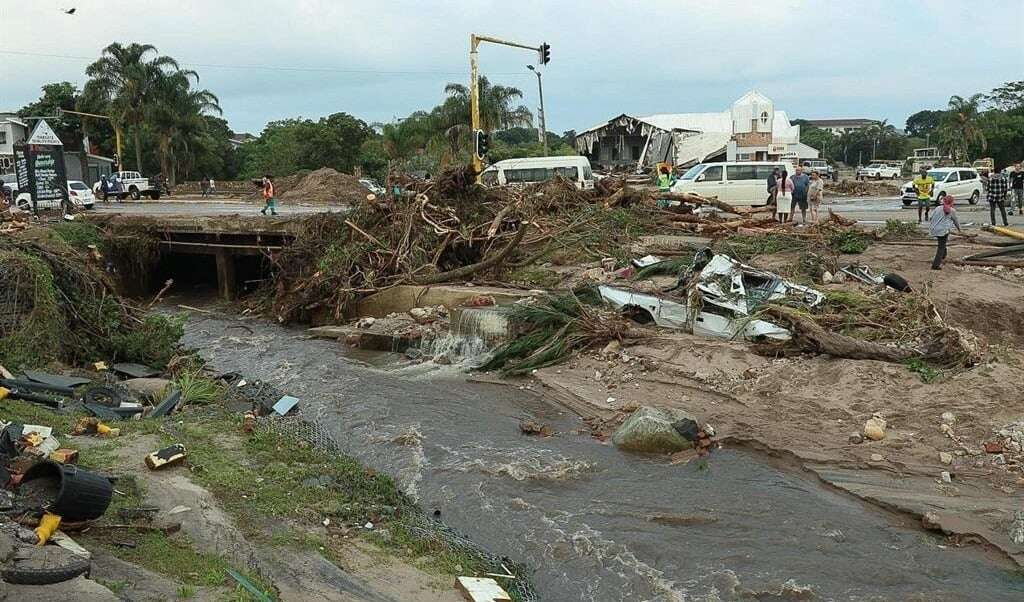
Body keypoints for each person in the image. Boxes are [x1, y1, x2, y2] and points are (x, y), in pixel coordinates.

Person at [928, 194, 962, 270]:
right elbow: (955, 221)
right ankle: (936, 265)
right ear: (951, 202)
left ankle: (943, 255)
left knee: (942, 243)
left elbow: (931, 218)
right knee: (941, 247)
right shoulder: (952, 210)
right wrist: (960, 230)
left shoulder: (937, 208)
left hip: (934, 229)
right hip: (943, 230)